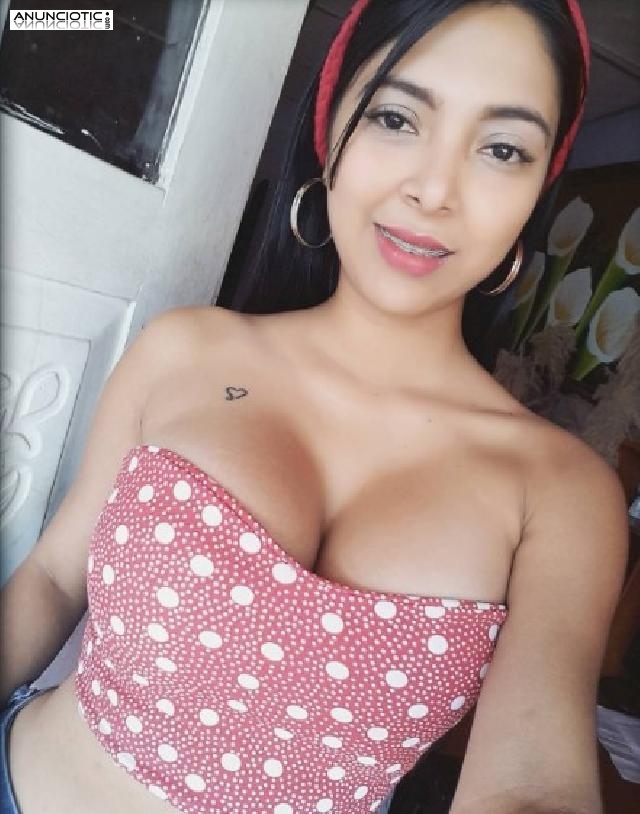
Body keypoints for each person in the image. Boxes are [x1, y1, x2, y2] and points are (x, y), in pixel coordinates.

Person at [0, 1, 629, 813]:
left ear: (536, 192)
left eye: (502, 148)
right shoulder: (186, 350)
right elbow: (54, 577)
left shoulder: (564, 493)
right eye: (397, 118)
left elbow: (533, 784)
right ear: (332, 128)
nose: (433, 190)